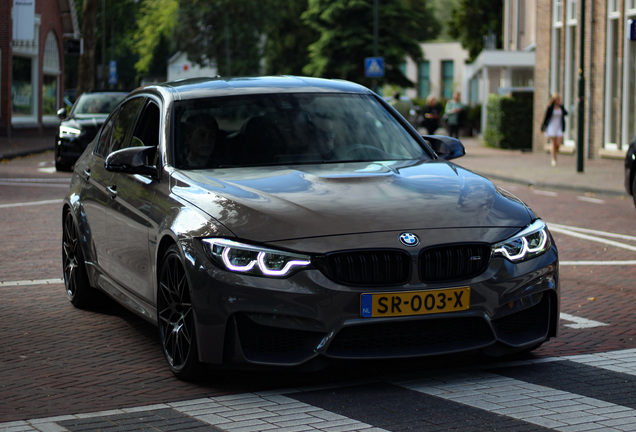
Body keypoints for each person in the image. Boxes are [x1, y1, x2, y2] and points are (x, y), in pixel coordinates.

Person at [541, 93, 568, 167]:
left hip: (559, 126)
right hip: (552, 126)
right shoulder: (550, 108)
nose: (558, 101)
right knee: (553, 143)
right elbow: (546, 118)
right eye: (557, 99)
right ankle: (553, 159)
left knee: (558, 143)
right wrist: (542, 127)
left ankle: (554, 153)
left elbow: (566, 113)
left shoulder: (561, 107)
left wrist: (561, 106)